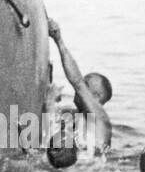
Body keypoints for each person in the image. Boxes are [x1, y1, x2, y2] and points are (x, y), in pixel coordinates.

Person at [47, 18, 112, 156]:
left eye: (86, 84)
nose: (79, 89)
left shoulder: (100, 119)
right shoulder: (73, 118)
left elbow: (76, 81)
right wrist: (52, 104)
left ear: (96, 97)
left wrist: (59, 40)